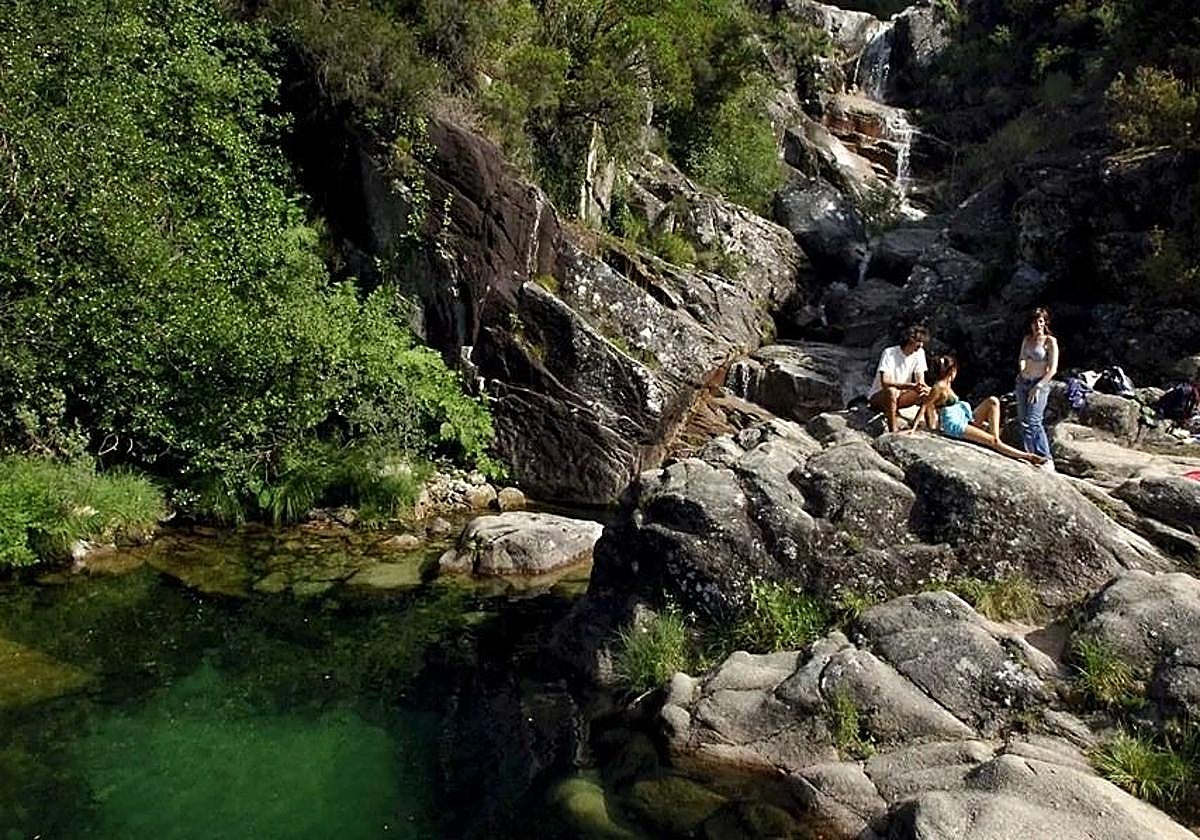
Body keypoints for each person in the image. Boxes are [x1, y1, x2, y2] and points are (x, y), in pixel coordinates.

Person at [914, 354, 1046, 465]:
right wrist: (914, 427)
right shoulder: (939, 387)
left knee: (993, 401)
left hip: (963, 417)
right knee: (992, 441)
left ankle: (995, 438)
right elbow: (925, 406)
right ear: (951, 370)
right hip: (954, 424)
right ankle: (1026, 456)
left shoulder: (947, 384)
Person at [1015, 307, 1059, 469]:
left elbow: (1053, 369)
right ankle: (1030, 455)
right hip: (1023, 382)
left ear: (1045, 323)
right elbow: (1022, 357)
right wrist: (1022, 369)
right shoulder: (1027, 339)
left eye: (1040, 321)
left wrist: (1038, 386)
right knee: (1023, 421)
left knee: (1034, 421)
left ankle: (1045, 458)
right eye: (1035, 322)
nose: (1037, 325)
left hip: (1039, 384)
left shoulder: (1050, 342)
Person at [869, 324, 931, 433]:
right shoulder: (890, 353)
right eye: (918, 342)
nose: (920, 345)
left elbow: (920, 379)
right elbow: (885, 382)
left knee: (928, 392)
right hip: (881, 395)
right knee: (891, 391)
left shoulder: (920, 353)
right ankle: (893, 430)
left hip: (902, 396)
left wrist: (923, 387)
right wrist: (908, 386)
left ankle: (925, 425)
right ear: (909, 340)